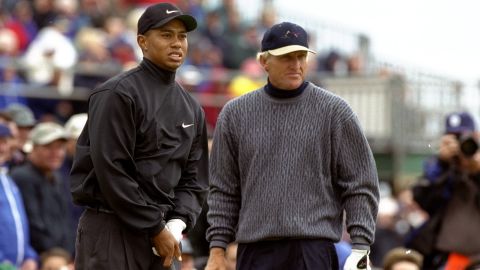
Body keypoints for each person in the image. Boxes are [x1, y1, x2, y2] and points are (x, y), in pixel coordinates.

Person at [205, 21, 379, 270]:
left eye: (301, 56)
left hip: (314, 251)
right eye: (286, 57)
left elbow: (360, 183)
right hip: (255, 251)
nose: (296, 65)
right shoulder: (235, 114)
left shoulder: (335, 112)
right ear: (264, 61)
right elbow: (223, 190)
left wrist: (361, 247)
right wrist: (217, 249)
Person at [70, 2, 209, 270]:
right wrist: (156, 227)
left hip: (162, 237)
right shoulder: (117, 93)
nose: (177, 43)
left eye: (182, 36)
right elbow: (113, 171)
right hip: (111, 228)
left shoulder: (192, 108)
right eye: (166, 35)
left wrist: (176, 224)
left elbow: (195, 181)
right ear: (143, 42)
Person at [409, 111, 480, 269]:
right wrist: (443, 164)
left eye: (462, 136)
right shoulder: (438, 167)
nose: (459, 143)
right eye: (453, 138)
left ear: (475, 136)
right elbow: (425, 201)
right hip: (447, 258)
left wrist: (476, 171)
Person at [11, 122, 75, 256]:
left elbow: (65, 222)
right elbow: (33, 226)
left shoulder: (57, 177)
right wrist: (56, 255)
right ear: (33, 148)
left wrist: (69, 254)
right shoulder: (22, 176)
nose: (56, 153)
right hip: (38, 258)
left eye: (60, 147)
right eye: (48, 147)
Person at [0, 123, 38, 270]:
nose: (2, 148)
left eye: (4, 141)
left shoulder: (7, 179)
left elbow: (18, 222)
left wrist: (29, 256)